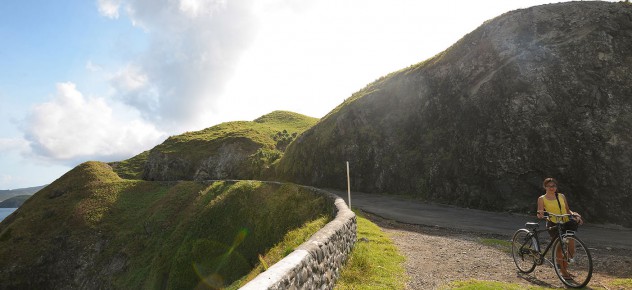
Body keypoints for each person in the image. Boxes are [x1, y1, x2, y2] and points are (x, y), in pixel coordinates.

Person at [536, 177, 584, 280]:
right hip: (553, 223)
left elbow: (567, 209)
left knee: (571, 248)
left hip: (566, 222)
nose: (552, 188)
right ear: (545, 187)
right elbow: (540, 212)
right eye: (549, 186)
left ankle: (564, 265)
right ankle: (562, 271)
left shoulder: (561, 196)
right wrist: (540, 214)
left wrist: (575, 215)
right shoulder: (542, 198)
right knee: (558, 248)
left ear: (556, 187)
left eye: (553, 186)